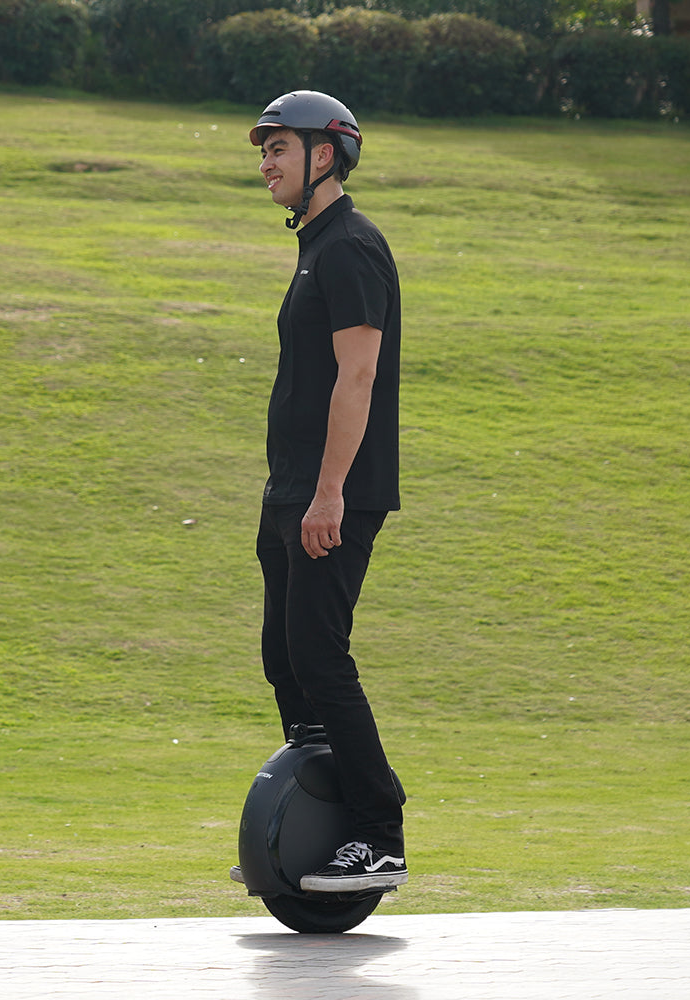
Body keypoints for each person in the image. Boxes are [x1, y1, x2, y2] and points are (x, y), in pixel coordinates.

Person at [249, 91, 407, 893]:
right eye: (264, 150)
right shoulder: (315, 247)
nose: (266, 162)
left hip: (335, 494)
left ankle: (379, 833)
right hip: (294, 490)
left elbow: (359, 376)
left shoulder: (350, 248)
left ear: (325, 154)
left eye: (278, 147)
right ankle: (319, 808)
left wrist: (329, 495)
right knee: (285, 657)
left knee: (320, 656)